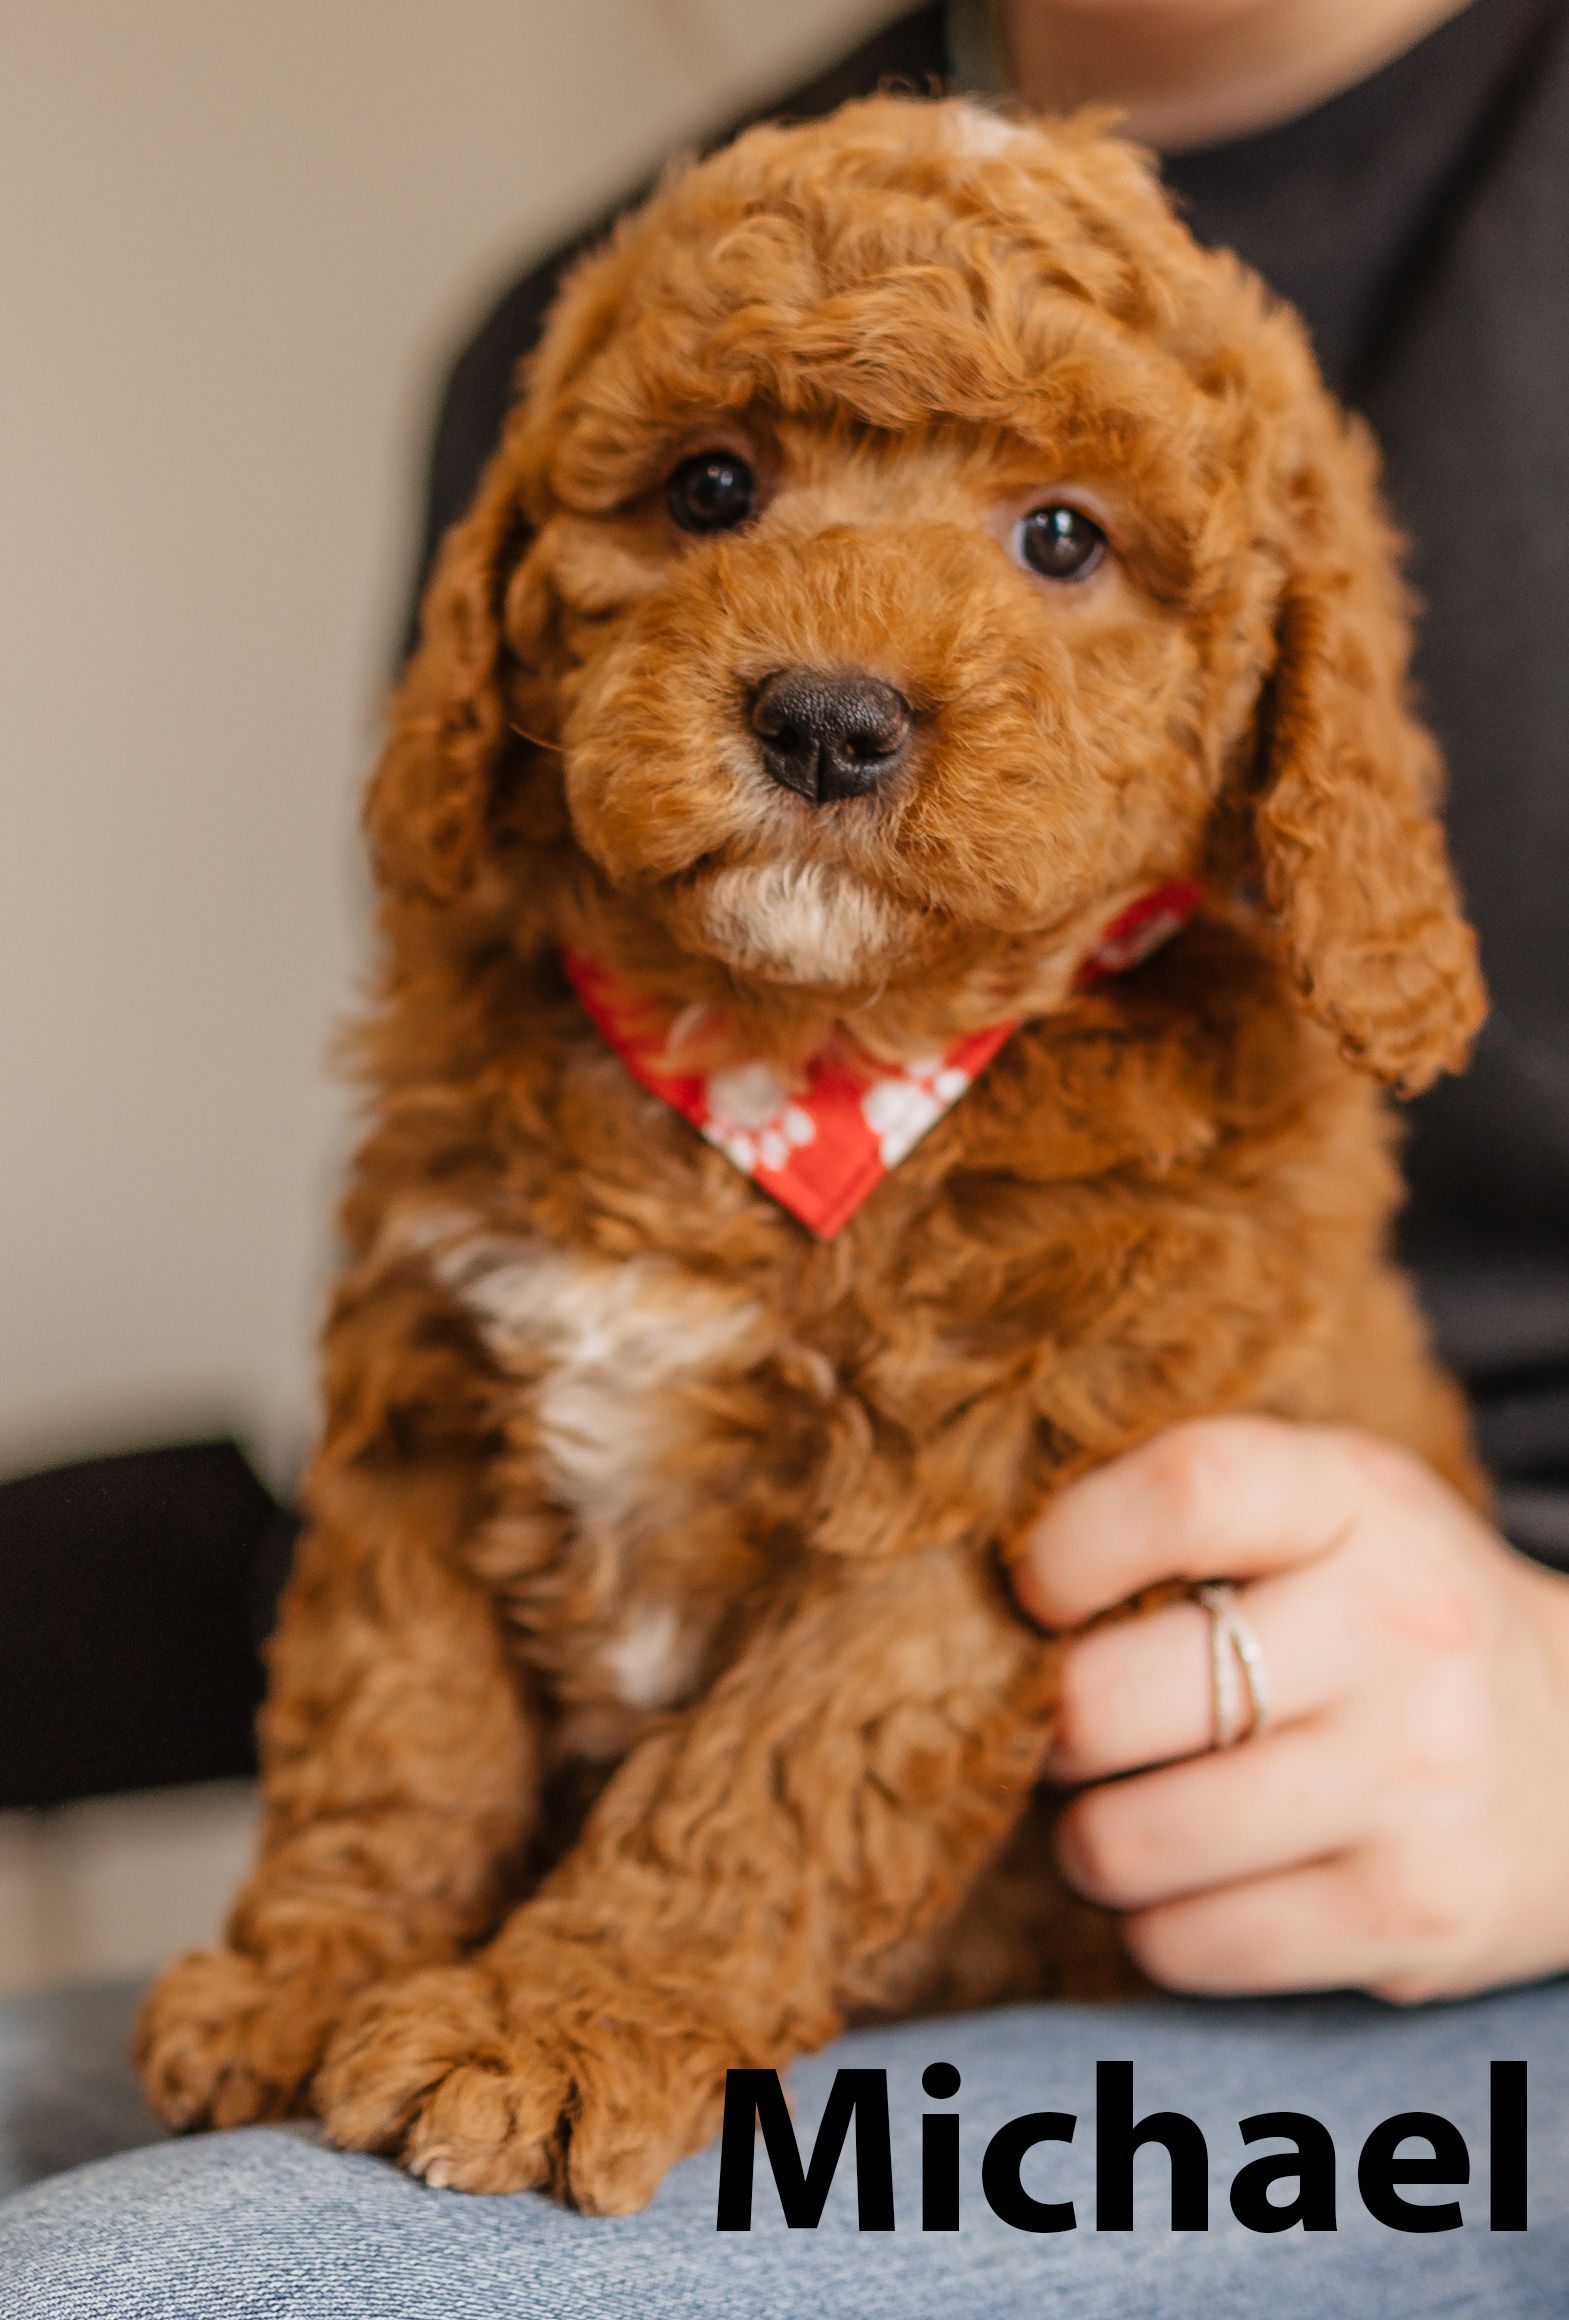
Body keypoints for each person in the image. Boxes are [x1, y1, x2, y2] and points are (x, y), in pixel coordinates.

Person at [3, 1, 1567, 2310]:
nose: (833, 660)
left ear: (1281, 700)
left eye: (1057, 537)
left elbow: (934, 1609)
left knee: (174, 2280)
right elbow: (443, 1469)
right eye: (713, 492)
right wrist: (351, 1899)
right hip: (577, 1847)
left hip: (1340, 1942)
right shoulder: (566, 321)